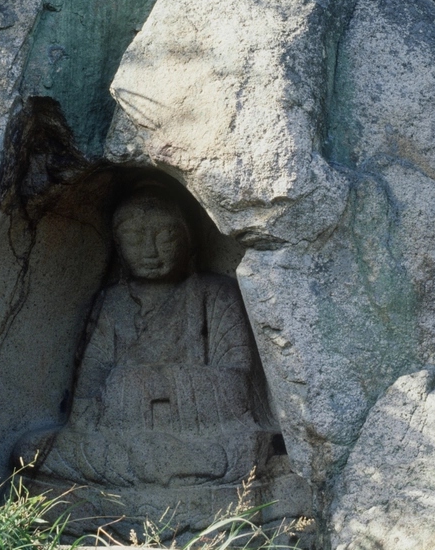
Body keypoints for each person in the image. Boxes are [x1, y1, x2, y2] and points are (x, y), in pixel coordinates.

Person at [16, 186, 274, 488]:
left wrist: (136, 382)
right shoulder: (111, 303)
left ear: (189, 240)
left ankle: (165, 470)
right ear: (118, 245)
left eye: (165, 237)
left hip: (209, 438)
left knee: (252, 452)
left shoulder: (218, 295)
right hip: (121, 441)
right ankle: (173, 472)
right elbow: (85, 399)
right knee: (31, 451)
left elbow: (239, 385)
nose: (150, 250)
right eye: (135, 239)